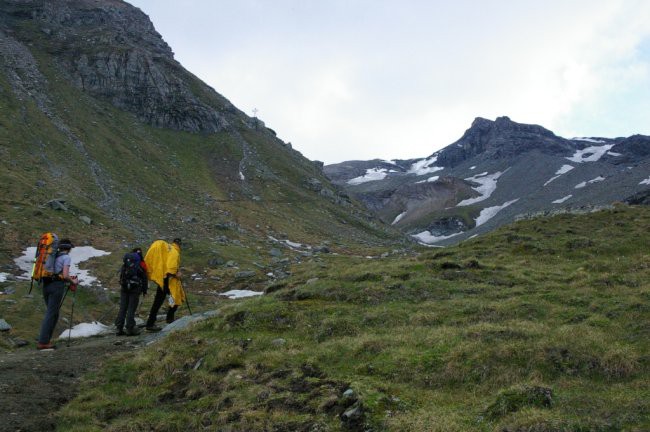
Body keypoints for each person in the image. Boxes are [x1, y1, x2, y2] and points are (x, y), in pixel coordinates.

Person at [37, 239, 78, 350]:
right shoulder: (66, 258)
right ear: (69, 249)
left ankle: (45, 339)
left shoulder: (53, 256)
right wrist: (73, 281)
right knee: (51, 313)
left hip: (46, 285)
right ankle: (43, 342)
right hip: (57, 286)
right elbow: (65, 275)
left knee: (53, 313)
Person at [144, 238, 186, 332]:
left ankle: (150, 323)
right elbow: (171, 268)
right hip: (169, 280)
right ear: (179, 245)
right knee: (175, 298)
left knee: (158, 301)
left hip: (163, 278)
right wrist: (176, 274)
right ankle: (169, 318)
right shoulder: (174, 251)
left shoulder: (168, 249)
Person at [114, 248, 148, 336]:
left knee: (123, 308)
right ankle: (130, 328)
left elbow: (122, 275)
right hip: (135, 288)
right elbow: (144, 278)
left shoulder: (126, 263)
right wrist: (144, 290)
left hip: (124, 287)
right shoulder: (141, 263)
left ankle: (119, 328)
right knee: (131, 308)